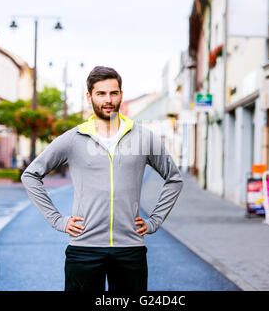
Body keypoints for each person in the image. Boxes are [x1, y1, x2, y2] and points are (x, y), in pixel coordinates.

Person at [21, 66, 183, 292]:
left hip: (130, 248)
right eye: (101, 93)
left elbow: (174, 179)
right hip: (84, 247)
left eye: (113, 93)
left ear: (121, 95)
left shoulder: (144, 137)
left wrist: (154, 220)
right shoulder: (73, 139)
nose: (108, 99)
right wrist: (58, 220)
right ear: (89, 97)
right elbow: (30, 175)